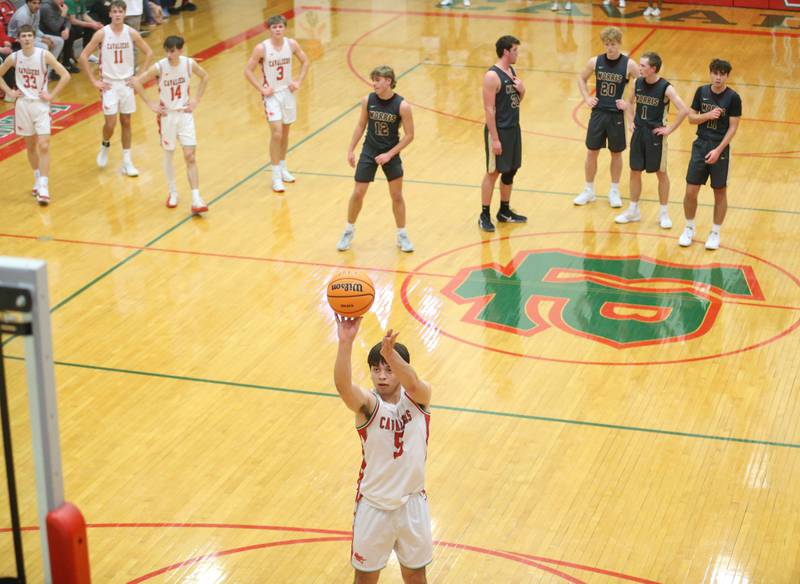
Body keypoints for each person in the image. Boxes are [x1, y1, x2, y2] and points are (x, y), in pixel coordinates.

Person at [333, 315, 433, 584]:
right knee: (365, 579)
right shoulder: (368, 404)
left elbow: (412, 383)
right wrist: (345, 341)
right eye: (376, 369)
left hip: (412, 502)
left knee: (415, 577)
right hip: (375, 506)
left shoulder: (420, 399)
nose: (382, 376)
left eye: (388, 369)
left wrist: (391, 354)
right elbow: (343, 387)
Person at [335, 66, 415, 252]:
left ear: (388, 81)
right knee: (358, 193)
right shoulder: (367, 100)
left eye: (377, 80)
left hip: (390, 153)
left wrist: (389, 154)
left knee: (396, 196)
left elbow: (409, 135)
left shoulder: (402, 106)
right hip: (369, 151)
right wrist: (350, 149)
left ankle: (402, 235)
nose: (374, 83)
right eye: (373, 80)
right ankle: (348, 230)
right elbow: (361, 125)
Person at [131, 35, 209, 214]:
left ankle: (196, 198)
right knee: (169, 154)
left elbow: (205, 77)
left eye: (172, 51)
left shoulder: (189, 64)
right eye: (167, 50)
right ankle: (172, 192)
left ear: (180, 50)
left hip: (184, 114)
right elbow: (137, 82)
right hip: (167, 116)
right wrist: (150, 103)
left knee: (190, 155)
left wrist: (196, 99)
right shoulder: (159, 67)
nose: (169, 54)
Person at [614, 52, 688, 229]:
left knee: (661, 173)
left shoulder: (665, 88)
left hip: (656, 136)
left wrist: (669, 129)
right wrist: (631, 121)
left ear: (653, 68)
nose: (639, 68)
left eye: (643, 66)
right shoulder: (637, 82)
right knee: (635, 171)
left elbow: (684, 110)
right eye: (639, 65)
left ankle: (664, 214)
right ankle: (633, 210)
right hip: (639, 133)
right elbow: (629, 103)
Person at [78, 0, 152, 176]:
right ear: (110, 14)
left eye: (120, 11)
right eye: (115, 11)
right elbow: (83, 56)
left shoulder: (131, 32)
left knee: (126, 122)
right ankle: (105, 144)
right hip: (109, 84)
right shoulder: (102, 34)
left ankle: (127, 161)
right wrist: (94, 81)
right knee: (110, 123)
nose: (117, 14)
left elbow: (149, 52)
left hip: (126, 83)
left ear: (124, 14)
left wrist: (139, 76)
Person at [0, 24, 70, 204]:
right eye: (23, 36)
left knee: (44, 145)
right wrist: (10, 91)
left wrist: (52, 95)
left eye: (29, 35)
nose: (27, 39)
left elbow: (65, 75)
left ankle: (45, 186)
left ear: (33, 37)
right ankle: (38, 178)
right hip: (23, 105)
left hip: (41, 105)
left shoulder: (43, 55)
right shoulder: (14, 58)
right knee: (30, 146)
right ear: (19, 39)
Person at [678, 58, 741, 250]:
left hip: (719, 148)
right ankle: (689, 227)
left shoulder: (733, 98)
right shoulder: (701, 92)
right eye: (715, 73)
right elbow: (691, 118)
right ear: (710, 73)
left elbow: (733, 128)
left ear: (727, 76)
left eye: (722, 74)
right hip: (700, 145)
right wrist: (707, 115)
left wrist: (718, 150)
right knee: (690, 191)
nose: (718, 77)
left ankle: (715, 232)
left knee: (719, 192)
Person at [574, 26, 639, 208]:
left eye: (613, 44)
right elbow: (581, 78)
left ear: (619, 44)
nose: (610, 48)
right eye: (607, 44)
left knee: (616, 153)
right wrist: (587, 97)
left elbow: (641, 84)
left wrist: (628, 102)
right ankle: (589, 190)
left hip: (616, 114)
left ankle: (614, 190)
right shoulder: (595, 61)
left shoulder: (629, 64)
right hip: (598, 111)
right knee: (591, 151)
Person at [244, 14, 309, 193]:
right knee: (277, 133)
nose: (278, 29)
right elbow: (248, 71)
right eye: (274, 27)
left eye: (280, 26)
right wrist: (261, 88)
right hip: (272, 95)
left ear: (284, 28)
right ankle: (275, 177)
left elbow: (305, 61)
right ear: (269, 29)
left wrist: (298, 81)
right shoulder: (261, 48)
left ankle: (282, 168)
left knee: (286, 132)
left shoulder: (292, 44)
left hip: (287, 93)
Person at [479, 34, 527, 233]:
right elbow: (489, 110)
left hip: (513, 128)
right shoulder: (492, 76)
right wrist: (495, 139)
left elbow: (514, 102)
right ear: (506, 51)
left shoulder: (511, 70)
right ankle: (484, 215)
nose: (518, 53)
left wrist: (522, 90)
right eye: (515, 50)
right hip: (498, 131)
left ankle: (504, 211)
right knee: (493, 172)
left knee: (510, 170)